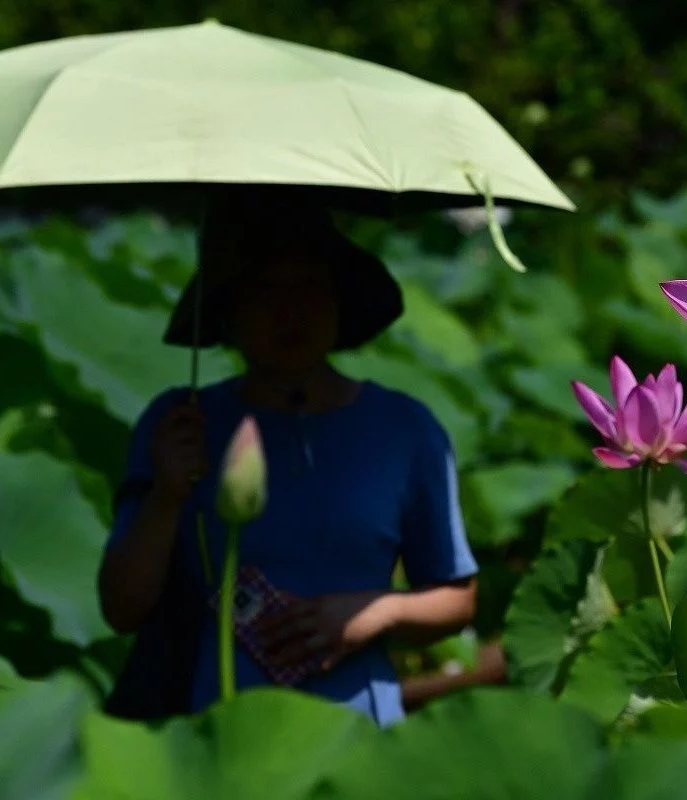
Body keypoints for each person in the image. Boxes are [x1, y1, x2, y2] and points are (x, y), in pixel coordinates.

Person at [97, 193, 478, 726]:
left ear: (340, 302)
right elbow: (121, 609)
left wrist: (373, 612)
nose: (290, 311)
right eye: (266, 290)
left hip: (359, 732)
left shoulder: (406, 430)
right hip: (211, 729)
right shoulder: (182, 425)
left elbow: (457, 599)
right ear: (228, 309)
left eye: (310, 288)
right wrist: (166, 495)